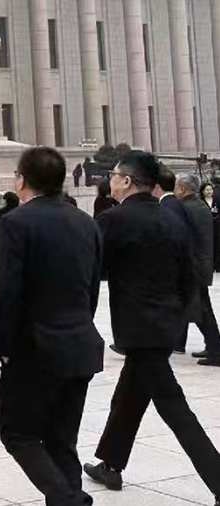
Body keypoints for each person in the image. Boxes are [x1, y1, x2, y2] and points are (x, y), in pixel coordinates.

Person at [83, 151, 220, 506]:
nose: (111, 180)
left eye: (114, 175)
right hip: (164, 326)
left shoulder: (114, 220)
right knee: (129, 397)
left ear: (127, 180)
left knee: (175, 408)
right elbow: (188, 275)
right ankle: (111, 464)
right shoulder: (171, 218)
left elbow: (90, 269)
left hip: (139, 330)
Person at [0, 147, 104, 506]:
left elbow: (7, 293)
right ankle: (70, 497)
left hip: (35, 349)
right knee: (61, 440)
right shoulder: (85, 222)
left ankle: (70, 500)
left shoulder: (16, 222)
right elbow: (90, 290)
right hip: (80, 344)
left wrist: (2, 346)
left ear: (21, 180)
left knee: (18, 434)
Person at [175, 174, 220, 365]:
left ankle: (216, 350)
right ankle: (212, 346)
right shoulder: (200, 205)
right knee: (201, 308)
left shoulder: (185, 208)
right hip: (202, 264)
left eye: (176, 186)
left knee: (201, 311)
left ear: (183, 188)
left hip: (193, 266)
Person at [199, 182, 220, 272]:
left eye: (211, 189)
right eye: (207, 190)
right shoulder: (200, 202)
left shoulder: (216, 200)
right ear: (203, 191)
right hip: (205, 227)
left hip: (216, 226)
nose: (209, 191)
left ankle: (217, 264)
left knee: (217, 245)